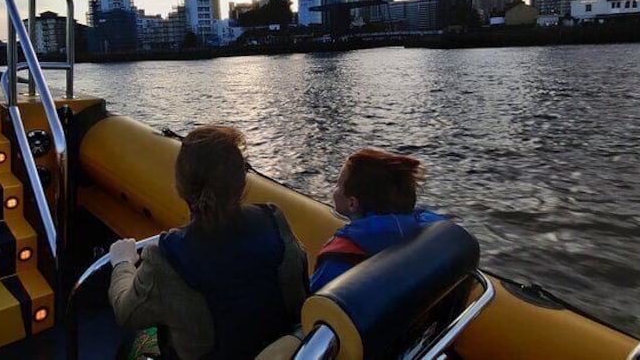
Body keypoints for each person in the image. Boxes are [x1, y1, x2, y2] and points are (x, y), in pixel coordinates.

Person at [108, 125, 308, 359]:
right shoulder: (275, 222)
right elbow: (298, 293)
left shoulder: (165, 258)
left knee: (135, 342)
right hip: (277, 353)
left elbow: (126, 312)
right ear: (241, 181)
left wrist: (122, 263)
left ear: (180, 186)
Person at [310, 148, 446, 293]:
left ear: (352, 203)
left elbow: (308, 302)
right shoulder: (431, 231)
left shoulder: (338, 260)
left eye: (337, 184)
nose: (334, 188)